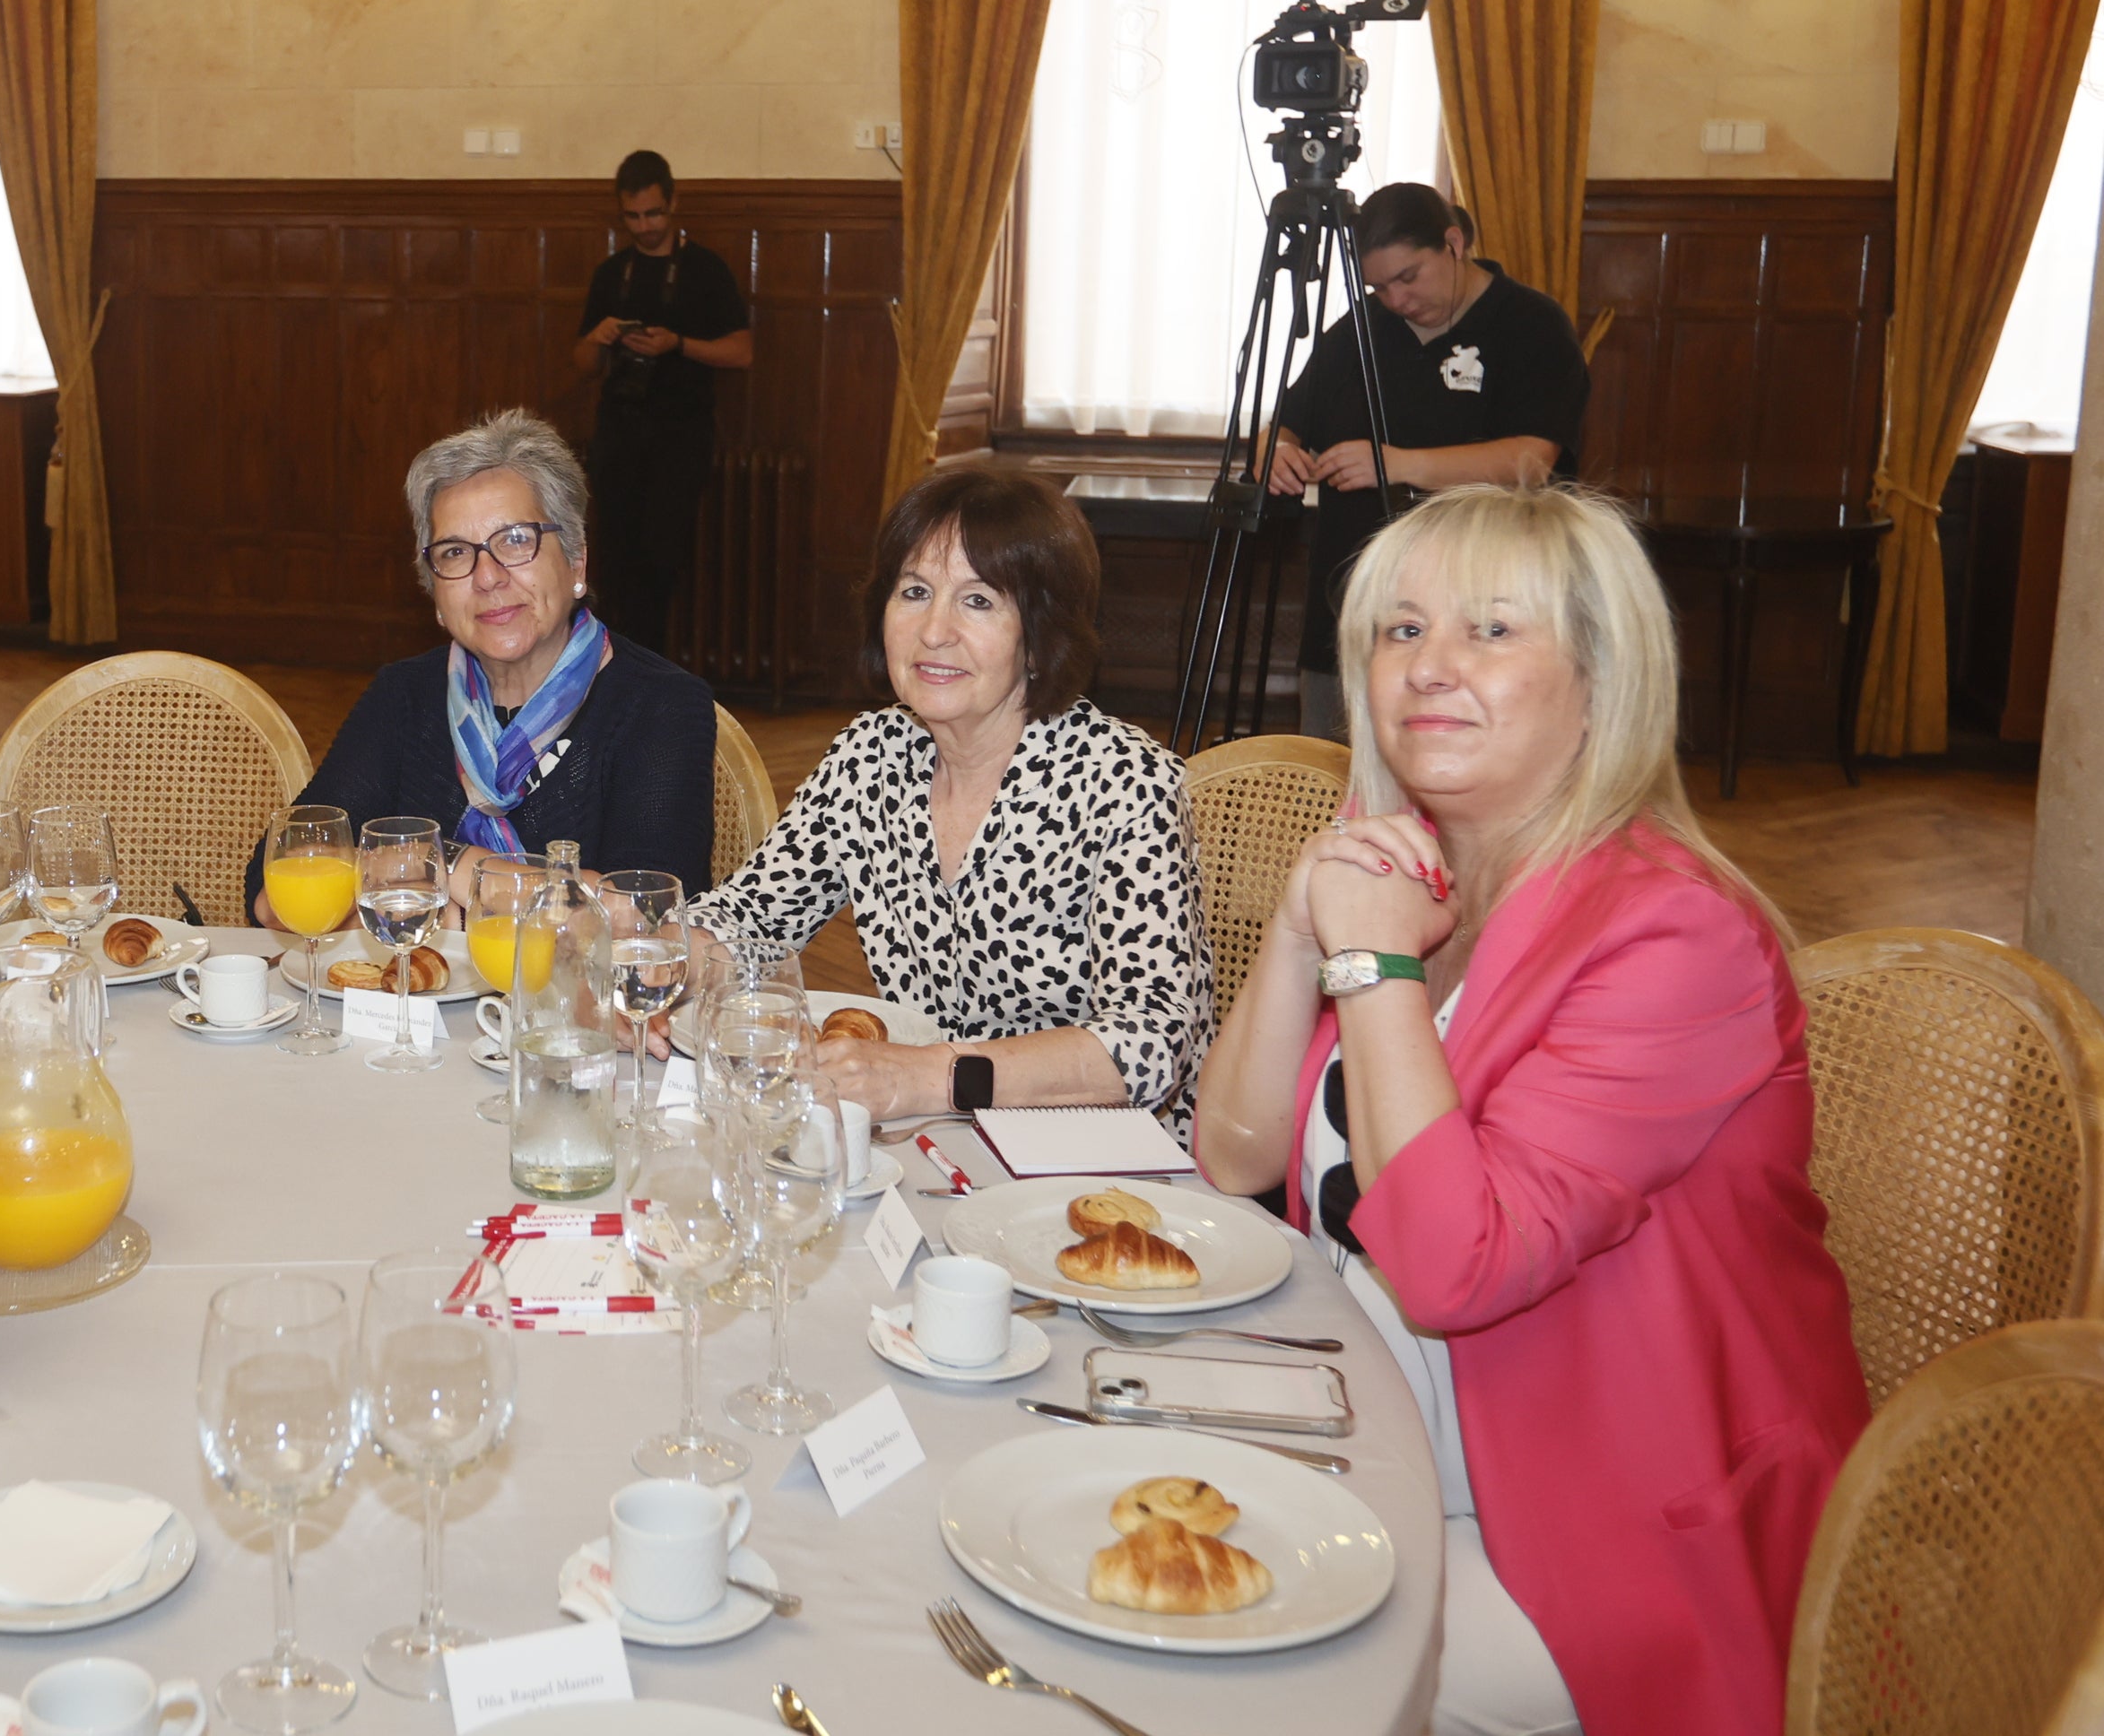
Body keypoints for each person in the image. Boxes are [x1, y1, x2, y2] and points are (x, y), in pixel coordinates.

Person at [1192, 484, 1865, 1736]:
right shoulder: (1414, 873)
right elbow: (1230, 1159)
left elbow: (1454, 1271)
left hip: (1587, 1532)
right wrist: (1299, 932)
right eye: (1398, 632)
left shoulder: (1676, 933)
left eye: (1492, 632)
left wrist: (1377, 971)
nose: (1430, 668)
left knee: (1205, 1670)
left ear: (1603, 684)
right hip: (1391, 1445)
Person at [682, 458, 1212, 1122]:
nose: (934, 630)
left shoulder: (1124, 783)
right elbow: (750, 920)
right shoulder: (871, 757)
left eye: (979, 600)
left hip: (1103, 1163)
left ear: (1041, 637)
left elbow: (1152, 1043)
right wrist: (662, 965)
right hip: (934, 1141)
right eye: (914, 592)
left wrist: (935, 1077)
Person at [247, 410, 718, 918]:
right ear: (434, 594)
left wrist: (443, 866)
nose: (488, 576)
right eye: (455, 552)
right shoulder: (404, 695)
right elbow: (278, 882)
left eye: (516, 539)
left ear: (577, 561)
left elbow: (645, 912)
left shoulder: (660, 704)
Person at [1265, 183, 1588, 740]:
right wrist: (1277, 450)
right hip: (1354, 596)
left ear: (1454, 243)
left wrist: (1396, 464)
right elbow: (1286, 418)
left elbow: (1532, 462)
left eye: (1408, 277)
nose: (1396, 301)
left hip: (1480, 603)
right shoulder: (1366, 327)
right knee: (1331, 773)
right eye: (1379, 286)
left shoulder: (1530, 324)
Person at [570, 150, 752, 654]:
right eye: (633, 217)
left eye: (654, 214)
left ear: (673, 203)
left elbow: (742, 352)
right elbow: (582, 364)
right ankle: (615, 664)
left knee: (662, 558)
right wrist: (601, 337)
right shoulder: (613, 274)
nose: (645, 227)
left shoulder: (703, 269)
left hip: (680, 436)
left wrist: (678, 344)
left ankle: (651, 666)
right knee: (616, 558)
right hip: (619, 434)